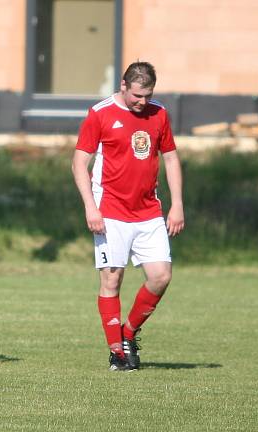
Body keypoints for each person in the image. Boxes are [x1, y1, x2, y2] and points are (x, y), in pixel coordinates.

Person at [71, 61, 185, 371]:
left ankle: (128, 333)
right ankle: (117, 354)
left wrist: (177, 205)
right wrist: (90, 207)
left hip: (148, 210)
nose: (142, 102)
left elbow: (171, 159)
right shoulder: (101, 113)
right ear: (124, 86)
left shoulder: (159, 113)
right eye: (137, 96)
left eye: (148, 95)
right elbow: (79, 163)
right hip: (110, 211)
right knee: (112, 279)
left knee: (161, 276)